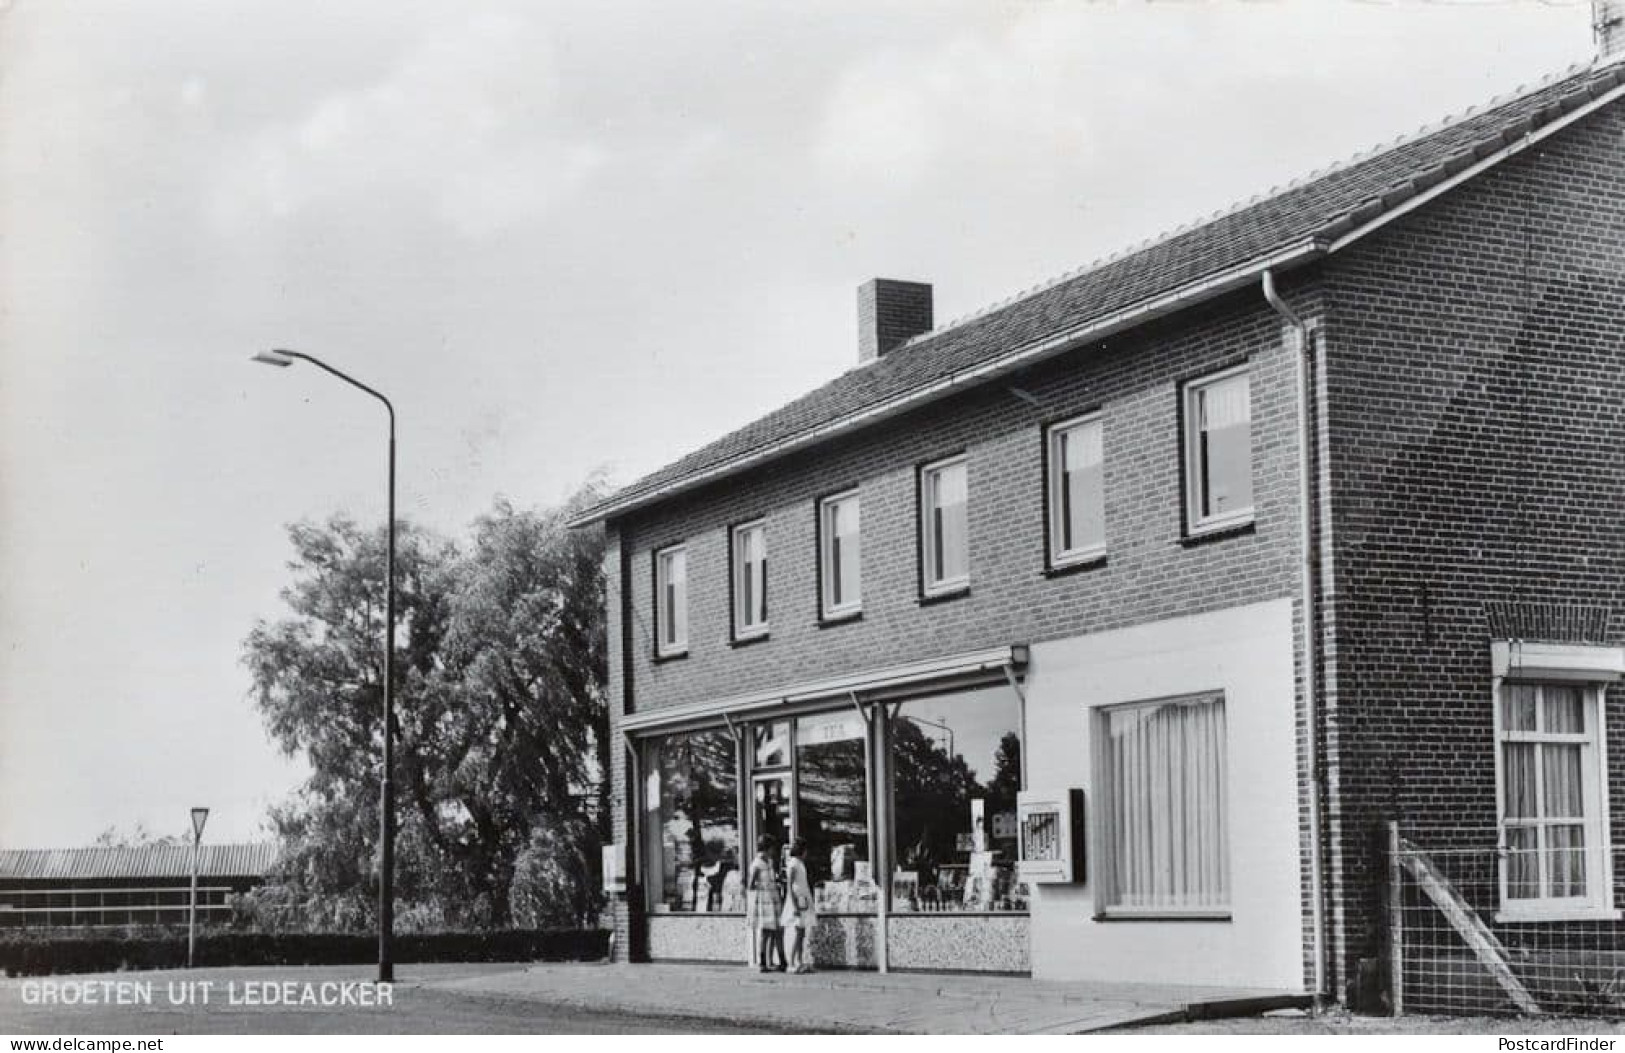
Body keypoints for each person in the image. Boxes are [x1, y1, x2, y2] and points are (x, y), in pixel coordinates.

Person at [745, 835, 785, 972]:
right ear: (767, 848)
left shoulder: (770, 862)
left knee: (776, 930)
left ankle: (779, 960)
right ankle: (762, 962)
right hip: (764, 899)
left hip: (773, 897)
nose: (773, 851)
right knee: (765, 931)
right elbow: (750, 885)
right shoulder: (756, 864)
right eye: (772, 848)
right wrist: (763, 886)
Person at [779, 838, 816, 973]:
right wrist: (794, 906)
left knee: (802, 932)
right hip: (797, 899)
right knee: (798, 931)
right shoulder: (793, 864)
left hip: (803, 898)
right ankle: (792, 961)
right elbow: (789, 885)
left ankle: (799, 961)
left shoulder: (800, 863)